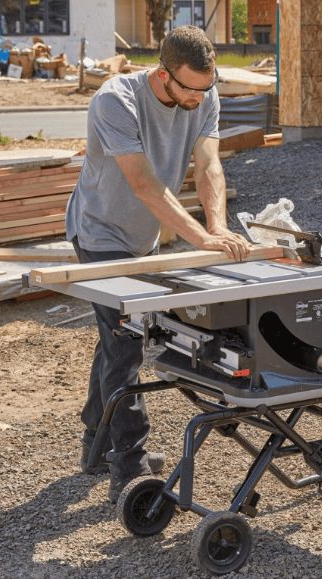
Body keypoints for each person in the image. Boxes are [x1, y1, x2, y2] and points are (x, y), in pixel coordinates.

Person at [65, 25, 253, 503]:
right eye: (188, 89)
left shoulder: (202, 93)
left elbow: (208, 166)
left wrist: (219, 226)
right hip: (100, 231)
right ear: (163, 73)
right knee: (126, 342)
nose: (198, 99)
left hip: (143, 236)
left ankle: (95, 441)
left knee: (115, 335)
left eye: (205, 89)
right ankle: (128, 466)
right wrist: (202, 238)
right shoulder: (115, 101)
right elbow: (144, 183)